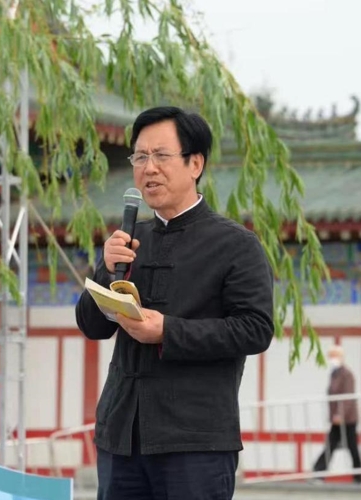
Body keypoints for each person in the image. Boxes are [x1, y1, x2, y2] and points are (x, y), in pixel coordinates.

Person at [75, 106, 275, 500]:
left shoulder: (237, 245)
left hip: (195, 441)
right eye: (140, 157)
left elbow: (255, 329)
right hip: (121, 435)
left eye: (161, 156)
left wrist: (167, 331)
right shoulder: (129, 239)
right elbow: (92, 326)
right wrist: (106, 269)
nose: (148, 168)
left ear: (195, 163)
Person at [312, 344, 361, 483]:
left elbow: (347, 396)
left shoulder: (346, 374)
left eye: (334, 356)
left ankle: (358, 476)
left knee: (351, 446)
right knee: (331, 445)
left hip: (347, 419)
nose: (332, 358)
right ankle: (318, 472)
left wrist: (340, 414)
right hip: (337, 418)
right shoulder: (335, 373)